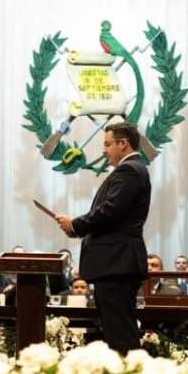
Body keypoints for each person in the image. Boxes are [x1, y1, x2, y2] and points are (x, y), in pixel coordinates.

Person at [55, 122, 151, 354]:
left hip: (117, 263)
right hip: (116, 263)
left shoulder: (129, 170)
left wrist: (75, 224)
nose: (103, 151)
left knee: (120, 332)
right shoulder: (134, 169)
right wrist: (77, 228)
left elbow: (110, 211)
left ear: (123, 143)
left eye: (108, 144)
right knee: (116, 329)